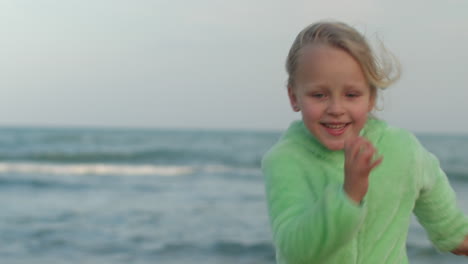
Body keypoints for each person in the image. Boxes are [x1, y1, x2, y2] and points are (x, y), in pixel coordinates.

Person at [261, 21, 468, 264]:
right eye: (319, 95)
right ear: (294, 96)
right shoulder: (285, 159)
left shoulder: (402, 149)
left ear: (371, 97)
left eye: (351, 95)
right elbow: (295, 252)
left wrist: (457, 237)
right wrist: (349, 195)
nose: (336, 109)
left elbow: (452, 231)